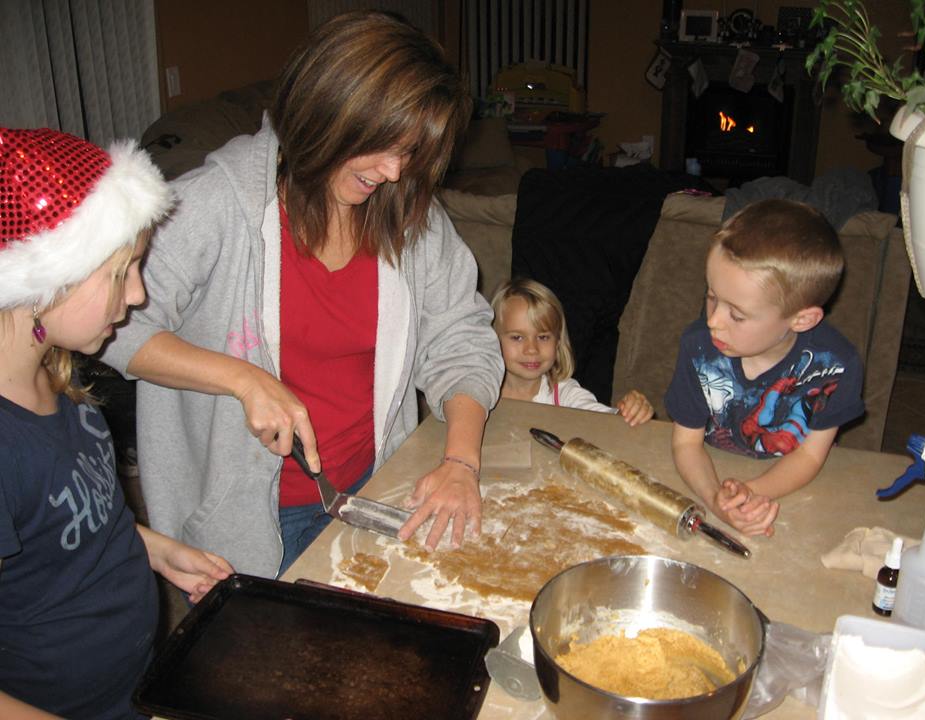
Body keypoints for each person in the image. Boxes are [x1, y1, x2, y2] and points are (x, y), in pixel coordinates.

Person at [100, 11, 504, 578]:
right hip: (245, 517)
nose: (393, 172)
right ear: (330, 111)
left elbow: (461, 339)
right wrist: (243, 378)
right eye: (384, 146)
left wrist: (460, 460)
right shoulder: (215, 204)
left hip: (379, 488)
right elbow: (114, 327)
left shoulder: (413, 217)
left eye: (411, 154)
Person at [0, 127, 234, 719]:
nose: (137, 294)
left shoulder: (62, 382)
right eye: (121, 271)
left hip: (129, 689)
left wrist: (152, 548)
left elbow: (66, 532)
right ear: (43, 278)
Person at [665, 199, 865, 538]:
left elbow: (811, 457)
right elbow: (685, 444)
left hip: (790, 486)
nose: (713, 321)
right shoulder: (698, 347)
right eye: (711, 296)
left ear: (802, 319)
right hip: (708, 468)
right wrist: (716, 499)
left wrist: (750, 493)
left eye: (737, 315)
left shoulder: (836, 366)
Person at [491, 278, 654, 425]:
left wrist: (631, 411)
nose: (532, 349)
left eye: (543, 337)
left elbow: (605, 422)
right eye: (517, 337)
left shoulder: (565, 394)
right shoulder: (479, 388)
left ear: (558, 342)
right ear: (492, 338)